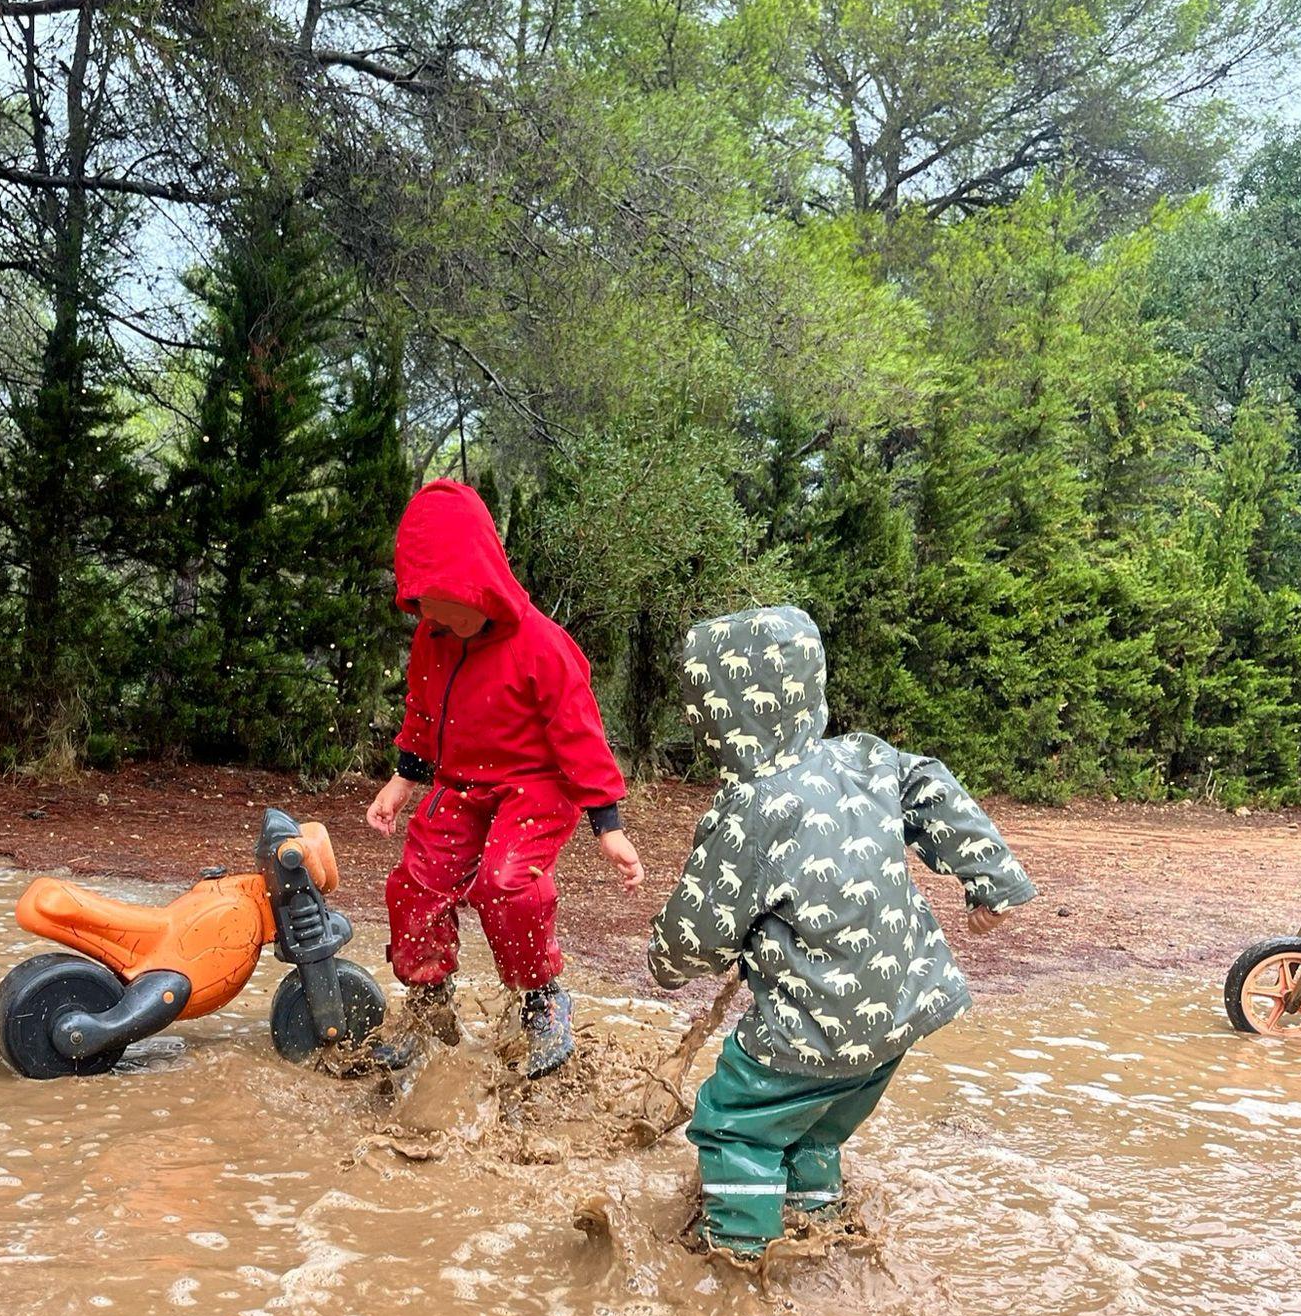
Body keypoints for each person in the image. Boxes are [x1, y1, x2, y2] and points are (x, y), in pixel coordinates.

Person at [647, 604, 1036, 1257]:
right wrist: (991, 877)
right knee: (813, 1130)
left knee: (737, 1126)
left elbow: (700, 932)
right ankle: (821, 1225)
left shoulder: (749, 809)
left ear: (715, 715)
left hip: (811, 1033)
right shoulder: (865, 759)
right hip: (901, 1017)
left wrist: (664, 962)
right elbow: (930, 783)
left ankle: (739, 1262)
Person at [367, 479, 643, 1078]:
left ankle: (541, 1000)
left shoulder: (542, 646)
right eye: (418, 604)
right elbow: (423, 711)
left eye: (438, 602)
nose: (427, 616)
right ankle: (428, 1007)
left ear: (478, 582)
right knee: (416, 883)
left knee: (507, 883)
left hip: (537, 787)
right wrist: (402, 780)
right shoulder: (432, 636)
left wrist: (608, 824)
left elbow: (581, 735)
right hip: (461, 785)